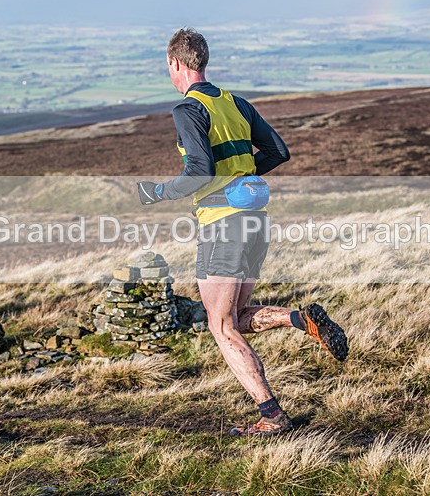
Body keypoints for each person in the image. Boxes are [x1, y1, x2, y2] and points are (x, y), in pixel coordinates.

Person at [137, 28, 348, 437]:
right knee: (236, 318)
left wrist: (158, 192)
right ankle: (300, 318)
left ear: (175, 63)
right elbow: (278, 152)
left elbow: (199, 171)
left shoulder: (188, 110)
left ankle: (272, 415)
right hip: (255, 221)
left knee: (220, 327)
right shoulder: (235, 102)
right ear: (203, 60)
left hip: (222, 225)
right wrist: (242, 176)